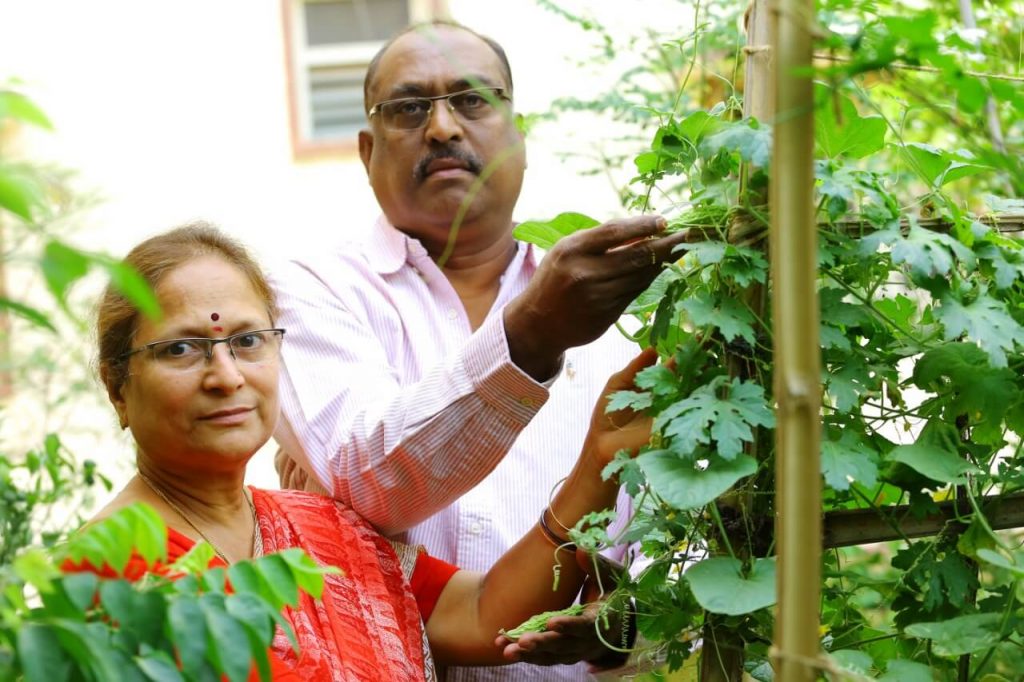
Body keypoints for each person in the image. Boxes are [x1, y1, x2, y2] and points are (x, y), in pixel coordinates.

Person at [272, 22, 686, 680]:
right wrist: (531, 339)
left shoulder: (622, 299)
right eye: (408, 107)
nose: (441, 128)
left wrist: (631, 619)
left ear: (519, 134)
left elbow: (687, 525)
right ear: (365, 148)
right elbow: (367, 480)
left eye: (472, 100)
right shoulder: (312, 292)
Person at [69, 223, 655, 680]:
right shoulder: (101, 574)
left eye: (247, 341)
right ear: (117, 386)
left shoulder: (325, 527)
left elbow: (482, 616)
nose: (226, 376)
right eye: (182, 349)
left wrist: (598, 463)